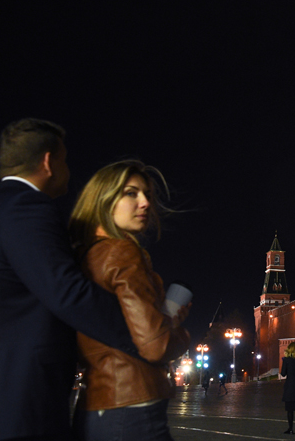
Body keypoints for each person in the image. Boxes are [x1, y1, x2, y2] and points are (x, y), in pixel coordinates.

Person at [0, 119, 137, 441]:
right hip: (20, 397)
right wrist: (142, 330)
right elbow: (68, 293)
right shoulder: (26, 208)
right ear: (48, 162)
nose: (67, 169)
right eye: (64, 159)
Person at [69, 160, 191, 441]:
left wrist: (163, 319)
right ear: (104, 199)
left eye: (147, 194)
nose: (145, 202)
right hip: (132, 405)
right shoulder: (122, 252)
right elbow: (154, 345)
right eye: (131, 193)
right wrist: (181, 335)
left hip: (98, 402)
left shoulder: (89, 253)